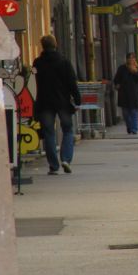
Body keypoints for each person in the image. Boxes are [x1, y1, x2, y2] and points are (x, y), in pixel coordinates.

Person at [33, 34, 81, 175]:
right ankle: (65, 159)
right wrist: (77, 99)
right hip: (62, 102)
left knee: (49, 133)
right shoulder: (64, 61)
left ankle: (53, 166)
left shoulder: (37, 63)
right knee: (67, 129)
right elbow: (72, 82)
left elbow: (34, 83)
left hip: (45, 102)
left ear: (43, 46)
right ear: (56, 45)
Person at [113, 52, 138, 135]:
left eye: (132, 58)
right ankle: (129, 126)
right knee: (125, 113)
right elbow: (116, 79)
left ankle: (134, 129)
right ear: (126, 59)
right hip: (124, 93)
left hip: (134, 93)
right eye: (129, 58)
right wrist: (117, 84)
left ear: (135, 59)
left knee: (134, 111)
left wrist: (134, 71)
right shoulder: (122, 68)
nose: (131, 60)